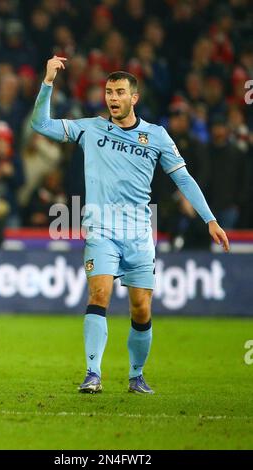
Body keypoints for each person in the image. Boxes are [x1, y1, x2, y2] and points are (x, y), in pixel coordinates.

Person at [31, 56, 230, 395]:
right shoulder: (90, 128)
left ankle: (136, 376)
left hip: (139, 235)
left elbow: (183, 178)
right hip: (101, 231)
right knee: (100, 293)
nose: (113, 97)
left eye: (120, 92)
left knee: (140, 308)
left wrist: (209, 218)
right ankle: (93, 373)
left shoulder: (156, 136)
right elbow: (41, 125)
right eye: (109, 91)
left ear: (133, 98)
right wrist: (47, 82)